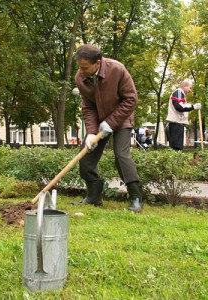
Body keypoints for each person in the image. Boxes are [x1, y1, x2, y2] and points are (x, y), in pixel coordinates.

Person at [72, 44, 143, 212]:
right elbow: (88, 107)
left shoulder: (117, 69)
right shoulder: (80, 78)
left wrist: (110, 123)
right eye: (79, 67)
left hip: (122, 118)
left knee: (121, 155)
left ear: (97, 63)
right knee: (86, 157)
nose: (81, 71)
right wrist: (91, 132)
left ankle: (136, 199)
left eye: (85, 67)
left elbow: (131, 99)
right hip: (98, 121)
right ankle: (93, 196)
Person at [166, 80, 201, 151]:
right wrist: (193, 107)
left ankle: (175, 161)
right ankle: (176, 162)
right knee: (177, 148)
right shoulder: (178, 93)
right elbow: (179, 106)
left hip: (177, 124)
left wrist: (192, 106)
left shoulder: (180, 95)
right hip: (176, 124)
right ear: (184, 86)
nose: (190, 90)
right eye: (190, 88)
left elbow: (182, 105)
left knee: (176, 148)